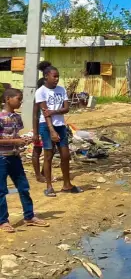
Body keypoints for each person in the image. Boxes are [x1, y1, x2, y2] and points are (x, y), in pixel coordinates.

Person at [0, 88, 49, 232]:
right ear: (8, 99)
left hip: (15, 157)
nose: (20, 102)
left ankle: (29, 216)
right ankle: (3, 221)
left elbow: (15, 136)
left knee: (23, 187)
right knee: (1, 191)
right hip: (2, 158)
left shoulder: (16, 117)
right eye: (18, 99)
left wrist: (23, 140)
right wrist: (16, 141)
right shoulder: (1, 117)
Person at [35, 66, 81, 196]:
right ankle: (49, 186)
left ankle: (67, 184)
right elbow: (45, 114)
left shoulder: (61, 90)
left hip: (60, 125)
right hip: (46, 126)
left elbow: (66, 108)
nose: (57, 79)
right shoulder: (41, 91)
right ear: (46, 76)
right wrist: (51, 130)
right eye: (54, 76)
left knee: (65, 155)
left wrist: (54, 111)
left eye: (58, 76)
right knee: (48, 156)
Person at [31, 61, 53, 183]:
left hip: (50, 126)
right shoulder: (38, 96)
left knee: (50, 151)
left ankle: (45, 172)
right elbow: (35, 115)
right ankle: (38, 175)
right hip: (40, 126)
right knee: (38, 150)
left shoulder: (50, 95)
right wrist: (35, 132)